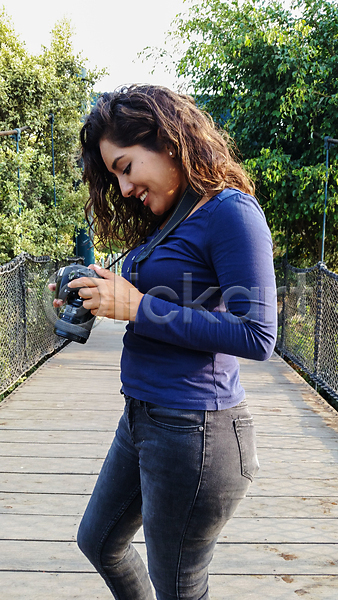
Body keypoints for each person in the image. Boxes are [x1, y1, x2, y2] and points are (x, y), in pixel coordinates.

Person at [56, 85, 277, 600]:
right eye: (114, 175)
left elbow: (258, 335)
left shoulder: (230, 213)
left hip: (196, 432)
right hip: (141, 418)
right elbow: (156, 298)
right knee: (99, 540)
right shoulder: (170, 220)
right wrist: (94, 289)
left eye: (126, 167)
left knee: (178, 586)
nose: (124, 186)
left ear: (168, 141)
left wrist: (136, 307)